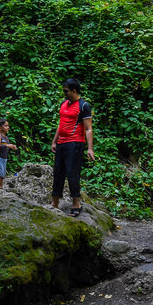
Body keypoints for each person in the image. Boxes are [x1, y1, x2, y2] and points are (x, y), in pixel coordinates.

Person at [50, 78, 94, 217]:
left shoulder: (83, 105)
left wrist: (90, 148)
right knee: (58, 172)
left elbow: (88, 128)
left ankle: (76, 203)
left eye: (66, 91)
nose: (64, 93)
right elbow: (61, 124)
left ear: (74, 91)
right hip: (62, 143)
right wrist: (54, 141)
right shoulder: (64, 104)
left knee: (72, 173)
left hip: (75, 143)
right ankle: (55, 202)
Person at [0, 118, 17, 188]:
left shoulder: (6, 138)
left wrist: (12, 147)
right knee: (0, 172)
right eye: (6, 126)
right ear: (0, 128)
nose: (8, 127)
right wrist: (7, 145)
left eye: (8, 125)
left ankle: (0, 187)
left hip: (4, 158)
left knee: (3, 173)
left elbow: (6, 147)